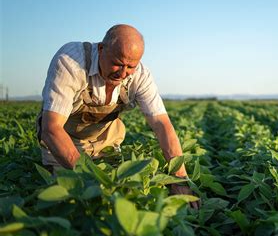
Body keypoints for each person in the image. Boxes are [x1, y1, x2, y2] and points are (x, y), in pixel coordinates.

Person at [36, 24, 199, 209]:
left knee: (126, 196)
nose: (122, 73)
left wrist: (179, 179)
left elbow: (161, 124)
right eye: (117, 63)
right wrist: (93, 180)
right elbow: (51, 129)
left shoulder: (141, 75)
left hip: (107, 145)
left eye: (130, 66)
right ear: (101, 49)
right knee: (74, 200)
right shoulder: (71, 61)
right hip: (64, 146)